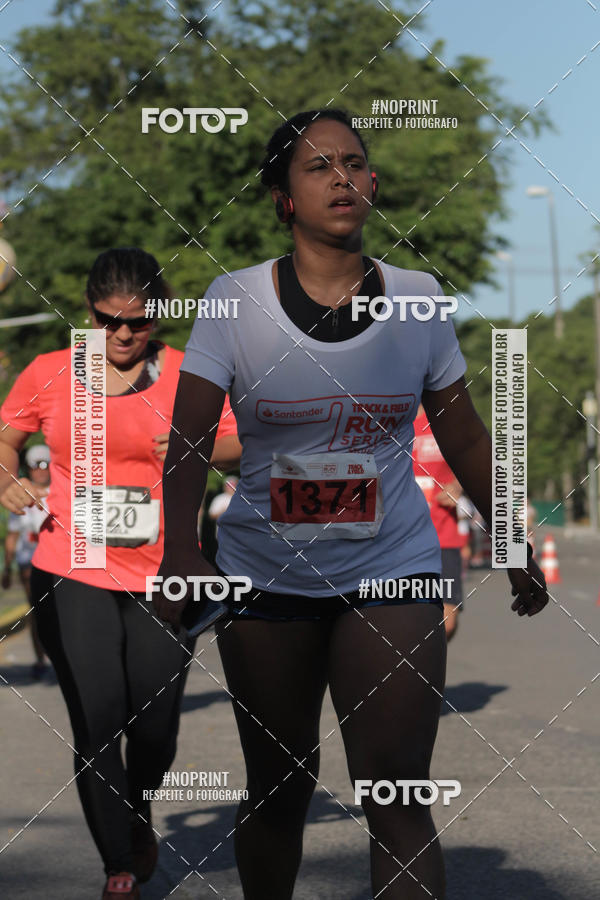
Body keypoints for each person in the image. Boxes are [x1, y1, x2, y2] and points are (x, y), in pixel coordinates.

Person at [153, 110, 548, 899]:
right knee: (281, 782)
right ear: (283, 198)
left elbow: (466, 436)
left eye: (355, 163)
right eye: (316, 166)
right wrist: (182, 552)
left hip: (392, 568)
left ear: (372, 184)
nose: (341, 176)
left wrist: (510, 537)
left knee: (395, 787)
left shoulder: (420, 298)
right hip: (264, 577)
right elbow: (190, 438)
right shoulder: (234, 302)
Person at [0, 248, 240, 900]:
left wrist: (199, 444)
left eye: (138, 322)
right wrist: (7, 477)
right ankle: (119, 866)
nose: (124, 335)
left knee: (156, 727)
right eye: (108, 321)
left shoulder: (188, 376)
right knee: (98, 717)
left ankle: (138, 806)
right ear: (89, 312)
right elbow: (6, 437)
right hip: (70, 565)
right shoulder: (52, 372)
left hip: (166, 572)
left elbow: (241, 440)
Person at [412, 405, 469, 641]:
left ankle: (427, 662)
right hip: (395, 538)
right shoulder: (387, 421)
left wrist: (458, 485)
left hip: (441, 537)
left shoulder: (443, 420)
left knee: (447, 621)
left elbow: (472, 458)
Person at [2, 443, 51, 678]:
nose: (41, 470)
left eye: (45, 464)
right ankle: (40, 658)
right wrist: (6, 569)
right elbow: (12, 537)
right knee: (38, 610)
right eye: (35, 465)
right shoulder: (19, 493)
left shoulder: (64, 491)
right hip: (28, 562)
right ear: (28, 468)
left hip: (58, 563)